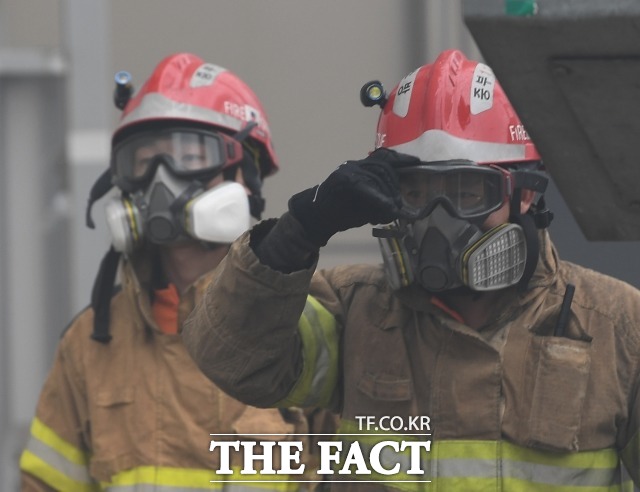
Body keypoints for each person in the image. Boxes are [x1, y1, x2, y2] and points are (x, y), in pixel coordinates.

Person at [182, 49, 640, 489]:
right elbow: (233, 360)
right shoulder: (354, 309)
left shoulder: (617, 328)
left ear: (524, 194)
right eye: (415, 192)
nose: (439, 222)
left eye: (468, 192)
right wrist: (299, 232)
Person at [19, 52, 331, 490]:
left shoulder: (311, 325)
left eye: (189, 156)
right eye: (143, 162)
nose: (161, 183)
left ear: (246, 175)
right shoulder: (91, 344)